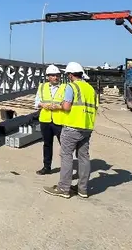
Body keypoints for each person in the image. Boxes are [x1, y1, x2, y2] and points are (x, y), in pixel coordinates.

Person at [42, 61, 98, 199]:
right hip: (87, 127)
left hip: (72, 127)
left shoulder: (71, 87)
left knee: (66, 156)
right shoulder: (90, 89)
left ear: (70, 75)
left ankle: (63, 188)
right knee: (84, 157)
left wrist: (58, 105)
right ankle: (82, 189)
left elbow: (66, 107)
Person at [33, 64, 66, 175]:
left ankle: (67, 169)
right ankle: (47, 167)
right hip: (45, 120)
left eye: (57, 75)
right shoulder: (42, 87)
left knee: (65, 146)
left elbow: (68, 104)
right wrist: (42, 104)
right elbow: (36, 102)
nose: (55, 77)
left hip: (59, 121)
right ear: (48, 77)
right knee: (47, 144)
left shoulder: (65, 87)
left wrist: (59, 107)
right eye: (52, 75)